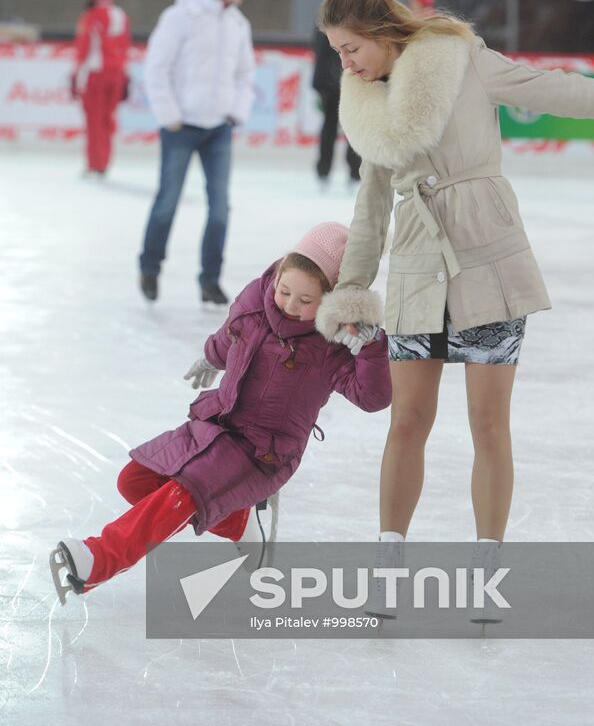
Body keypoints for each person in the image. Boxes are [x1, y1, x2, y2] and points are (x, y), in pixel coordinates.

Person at [313, 0, 594, 589]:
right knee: (407, 421)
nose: (345, 62)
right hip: (416, 267)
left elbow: (556, 90)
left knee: (488, 424)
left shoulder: (461, 58)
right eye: (336, 51)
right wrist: (353, 289)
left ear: (382, 34)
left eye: (349, 48)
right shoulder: (367, 103)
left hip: (486, 257)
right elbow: (371, 205)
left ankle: (485, 573)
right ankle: (387, 567)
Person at [49, 222, 392, 604]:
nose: (290, 304)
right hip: (216, 422)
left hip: (262, 450)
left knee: (184, 493)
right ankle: (242, 523)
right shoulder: (256, 299)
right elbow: (231, 333)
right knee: (135, 481)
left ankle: (98, 559)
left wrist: (373, 346)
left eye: (305, 300)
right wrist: (210, 356)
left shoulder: (331, 346)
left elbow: (372, 397)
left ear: (329, 301)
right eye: (285, 291)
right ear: (277, 276)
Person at [138, 0, 256, 305]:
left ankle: (210, 280)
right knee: (167, 202)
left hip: (218, 128)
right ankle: (150, 267)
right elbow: (156, 68)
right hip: (180, 127)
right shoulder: (180, 16)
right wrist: (169, 114)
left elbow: (245, 74)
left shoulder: (238, 24)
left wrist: (235, 112)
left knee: (220, 207)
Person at [70, 0, 131, 177]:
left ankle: (95, 163)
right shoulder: (121, 15)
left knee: (94, 121)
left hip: (96, 74)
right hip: (117, 74)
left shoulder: (91, 16)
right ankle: (104, 162)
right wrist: (125, 76)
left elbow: (84, 49)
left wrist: (75, 74)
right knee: (107, 119)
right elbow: (125, 47)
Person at [312, 27, 361, 187]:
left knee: (353, 131)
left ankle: (355, 172)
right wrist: (320, 85)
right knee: (330, 129)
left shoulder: (354, 20)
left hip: (350, 83)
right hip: (331, 86)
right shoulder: (327, 21)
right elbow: (320, 51)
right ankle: (324, 171)